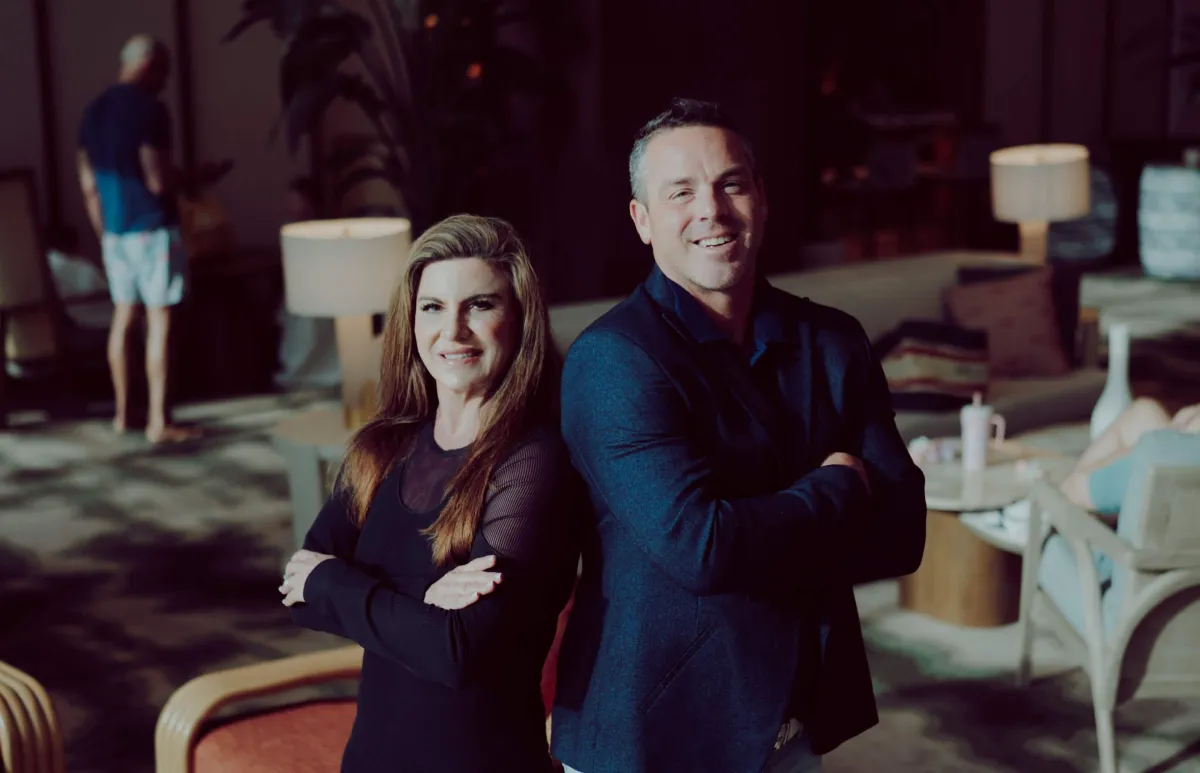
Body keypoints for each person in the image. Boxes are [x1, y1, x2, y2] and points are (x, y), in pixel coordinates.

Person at [547, 98, 927, 773]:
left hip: (789, 724)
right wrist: (838, 486)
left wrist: (753, 525)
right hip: (651, 736)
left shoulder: (832, 340)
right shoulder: (613, 360)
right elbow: (704, 549)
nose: (712, 211)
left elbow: (902, 532)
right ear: (642, 219)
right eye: (681, 192)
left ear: (762, 197)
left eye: (731, 184)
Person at [280, 214, 580, 773]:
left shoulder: (535, 460)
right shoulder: (382, 446)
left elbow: (457, 651)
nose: (453, 331)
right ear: (410, 320)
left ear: (519, 318)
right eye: (433, 307)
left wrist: (337, 582)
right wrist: (423, 601)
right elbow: (299, 591)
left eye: (480, 305)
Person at [77, 35, 197, 443]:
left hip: (115, 232)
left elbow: (89, 186)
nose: (165, 83)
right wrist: (189, 180)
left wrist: (104, 232)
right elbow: (157, 178)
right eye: (164, 72)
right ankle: (159, 421)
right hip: (153, 229)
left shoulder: (92, 112)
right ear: (149, 65)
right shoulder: (150, 110)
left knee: (123, 317)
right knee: (160, 321)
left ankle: (123, 413)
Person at [1060, 398, 1200, 520]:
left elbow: (1073, 491)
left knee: (1071, 488)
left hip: (1120, 542)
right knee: (1144, 412)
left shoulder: (1170, 454)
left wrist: (1172, 433)